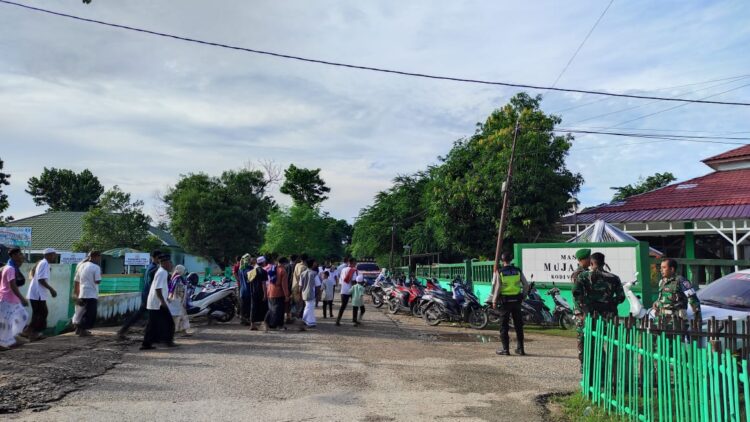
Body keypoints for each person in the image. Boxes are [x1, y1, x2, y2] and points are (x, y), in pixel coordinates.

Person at [572, 251, 626, 368]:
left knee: (589, 342)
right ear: (603, 263)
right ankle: (611, 368)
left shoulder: (584, 276)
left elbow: (576, 294)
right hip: (609, 316)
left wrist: (587, 305)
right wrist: (610, 304)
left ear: (591, 263)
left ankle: (589, 368)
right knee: (611, 342)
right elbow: (621, 297)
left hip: (591, 316)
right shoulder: (614, 278)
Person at [490, 252, 530, 356]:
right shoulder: (517, 271)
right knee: (518, 326)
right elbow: (526, 285)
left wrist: (494, 300)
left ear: (502, 261)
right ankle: (521, 349)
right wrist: (524, 296)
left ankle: (505, 350)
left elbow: (498, 287)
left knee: (504, 326)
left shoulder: (500, 271)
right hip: (516, 301)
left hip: (505, 303)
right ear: (511, 260)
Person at [118, 250, 162, 340]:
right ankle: (123, 330)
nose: (160, 259)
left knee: (147, 314)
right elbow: (151, 283)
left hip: (147, 294)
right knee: (141, 314)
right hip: (148, 295)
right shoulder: (153, 268)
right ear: (155, 257)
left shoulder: (152, 267)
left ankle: (150, 333)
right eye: (159, 257)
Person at [141, 255, 177, 350]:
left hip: (156, 302)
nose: (171, 265)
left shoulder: (162, 271)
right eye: (170, 263)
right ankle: (167, 341)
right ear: (164, 263)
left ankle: (148, 343)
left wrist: (165, 299)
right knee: (169, 322)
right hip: (158, 303)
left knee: (153, 324)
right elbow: (158, 288)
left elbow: (160, 288)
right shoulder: (162, 272)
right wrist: (162, 301)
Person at [24, 248, 58, 341]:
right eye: (53, 255)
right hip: (37, 293)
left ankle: (31, 331)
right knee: (41, 313)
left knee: (39, 313)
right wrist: (51, 289)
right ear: (48, 255)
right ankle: (32, 332)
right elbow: (41, 280)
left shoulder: (43, 263)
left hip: (37, 293)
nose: (54, 256)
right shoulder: (44, 263)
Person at [0, 248, 29, 349]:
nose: (22, 256)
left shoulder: (11, 267)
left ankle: (11, 338)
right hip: (7, 299)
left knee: (23, 316)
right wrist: (22, 298)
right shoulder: (10, 268)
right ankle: (3, 343)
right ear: (14, 256)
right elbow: (13, 285)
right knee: (6, 323)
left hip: (12, 299)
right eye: (20, 254)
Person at [74, 251, 102, 337]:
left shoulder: (81, 266)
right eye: (99, 257)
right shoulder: (96, 267)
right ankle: (83, 330)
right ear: (95, 257)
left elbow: (76, 281)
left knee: (81, 312)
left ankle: (78, 329)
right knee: (90, 313)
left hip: (82, 293)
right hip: (91, 293)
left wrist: (76, 293)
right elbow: (97, 281)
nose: (99, 259)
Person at [264, 256, 289, 331]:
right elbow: (284, 285)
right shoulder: (282, 271)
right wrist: (286, 295)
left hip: (270, 290)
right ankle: (279, 325)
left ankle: (268, 323)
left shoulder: (272, 268)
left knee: (271, 308)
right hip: (278, 292)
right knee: (279, 310)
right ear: (284, 263)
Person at [246, 257, 269, 330]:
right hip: (261, 292)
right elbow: (263, 284)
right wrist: (265, 294)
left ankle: (252, 325)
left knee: (253, 308)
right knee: (264, 308)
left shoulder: (252, 271)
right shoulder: (263, 272)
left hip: (253, 292)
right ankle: (264, 324)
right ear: (263, 263)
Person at [168, 264, 191, 337]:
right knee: (179, 316)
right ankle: (179, 332)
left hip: (174, 300)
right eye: (183, 270)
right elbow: (179, 290)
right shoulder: (178, 278)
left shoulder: (174, 277)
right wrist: (182, 299)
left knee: (180, 316)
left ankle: (182, 331)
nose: (184, 272)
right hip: (178, 300)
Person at [336, 258, 358, 326]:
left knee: (343, 306)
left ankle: (338, 320)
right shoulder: (353, 270)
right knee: (355, 305)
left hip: (344, 290)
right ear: (351, 263)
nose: (355, 264)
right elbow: (354, 281)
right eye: (355, 263)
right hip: (351, 290)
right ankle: (354, 320)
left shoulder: (343, 269)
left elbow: (340, 280)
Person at [300, 258, 319, 328]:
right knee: (309, 307)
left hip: (304, 293)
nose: (315, 264)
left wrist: (300, 293)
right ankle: (305, 321)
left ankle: (310, 321)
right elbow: (318, 285)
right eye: (314, 262)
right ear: (312, 264)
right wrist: (317, 294)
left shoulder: (302, 274)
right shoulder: (314, 274)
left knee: (308, 307)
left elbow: (300, 285)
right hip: (311, 293)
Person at [237, 254, 253, 325]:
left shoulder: (240, 269)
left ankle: (242, 320)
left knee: (243, 306)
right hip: (249, 290)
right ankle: (247, 320)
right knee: (248, 306)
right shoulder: (250, 269)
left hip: (242, 290)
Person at [292, 254, 308, 319]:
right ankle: (299, 316)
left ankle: (294, 315)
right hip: (300, 287)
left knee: (295, 302)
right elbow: (301, 278)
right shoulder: (304, 267)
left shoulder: (297, 265)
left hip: (294, 285)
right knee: (301, 302)